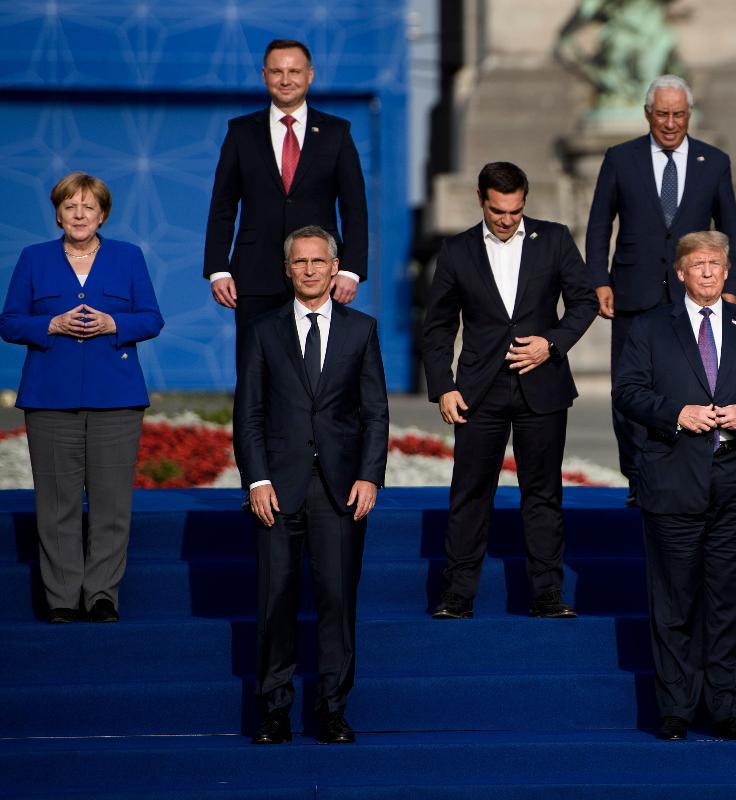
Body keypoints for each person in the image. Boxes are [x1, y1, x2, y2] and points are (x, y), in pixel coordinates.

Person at [613, 231, 736, 742]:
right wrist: (677, 413)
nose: (706, 273)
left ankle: (729, 710)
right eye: (697, 265)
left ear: (726, 271)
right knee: (674, 600)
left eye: (715, 265)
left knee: (732, 600)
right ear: (680, 272)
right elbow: (627, 392)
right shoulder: (651, 328)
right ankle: (676, 708)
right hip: (672, 479)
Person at [421, 162, 598, 620]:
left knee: (542, 493)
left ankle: (547, 595)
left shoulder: (554, 238)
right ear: (481, 199)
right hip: (478, 390)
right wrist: (442, 386)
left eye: (516, 211)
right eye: (499, 210)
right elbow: (438, 326)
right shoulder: (457, 250)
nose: (507, 219)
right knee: (469, 493)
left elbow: (584, 301)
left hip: (543, 386)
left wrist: (552, 343)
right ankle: (457, 596)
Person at [234, 225, 388, 745]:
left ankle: (332, 710)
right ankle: (274, 710)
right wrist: (256, 479)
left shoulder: (362, 329)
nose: (308, 269)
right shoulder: (262, 329)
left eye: (318, 261)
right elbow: (249, 414)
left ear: (333, 265)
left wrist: (370, 476)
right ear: (287, 269)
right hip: (277, 488)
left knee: (337, 602)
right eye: (299, 262)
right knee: (275, 600)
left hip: (342, 489)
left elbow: (375, 413)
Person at [0, 172, 164, 624]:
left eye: (88, 207)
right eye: (70, 205)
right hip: (50, 398)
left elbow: (152, 318)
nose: (79, 214)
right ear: (57, 212)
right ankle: (61, 597)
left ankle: (101, 595)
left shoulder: (128, 258)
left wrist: (117, 325)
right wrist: (48, 325)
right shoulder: (34, 259)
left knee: (112, 504)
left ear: (102, 214)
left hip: (117, 398)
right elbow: (10, 321)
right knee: (57, 505)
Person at [586, 74, 736, 504]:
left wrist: (734, 287)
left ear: (689, 114)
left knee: (691, 385)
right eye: (662, 115)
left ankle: (688, 477)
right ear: (647, 114)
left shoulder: (713, 161)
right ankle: (640, 479)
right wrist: (598, 279)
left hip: (694, 296)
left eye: (678, 115)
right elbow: (600, 223)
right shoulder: (621, 158)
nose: (670, 123)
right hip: (633, 294)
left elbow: (730, 226)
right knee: (631, 390)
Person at [205, 38, 368, 363]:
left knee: (314, 368)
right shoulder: (241, 132)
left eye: (294, 71)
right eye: (277, 71)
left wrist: (351, 269)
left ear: (310, 75)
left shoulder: (337, 132)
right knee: (254, 369)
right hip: (255, 274)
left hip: (318, 274)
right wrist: (217, 269)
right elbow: (223, 205)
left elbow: (355, 209)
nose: (286, 79)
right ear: (264, 76)